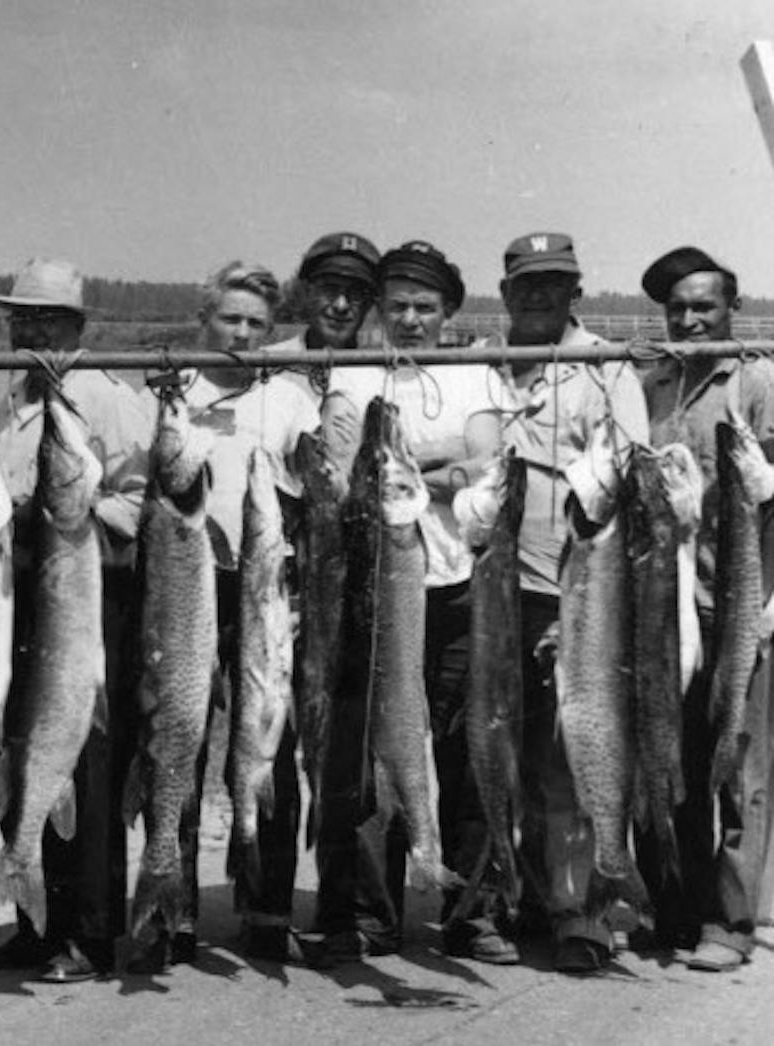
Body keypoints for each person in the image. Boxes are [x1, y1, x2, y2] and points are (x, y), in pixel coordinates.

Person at [308, 241, 508, 965]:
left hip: (457, 586)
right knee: (373, 755)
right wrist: (409, 474)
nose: (412, 320)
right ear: (380, 311)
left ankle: (471, 913)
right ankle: (367, 916)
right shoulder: (354, 374)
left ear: (448, 310)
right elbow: (335, 464)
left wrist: (417, 472)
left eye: (425, 308)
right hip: (375, 593)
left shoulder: (474, 372)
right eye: (397, 308)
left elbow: (490, 459)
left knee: (465, 746)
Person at [129, 260, 319, 972]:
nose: (242, 334)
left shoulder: (291, 397)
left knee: (270, 744)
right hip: (188, 585)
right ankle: (169, 908)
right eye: (230, 319)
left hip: (264, 589)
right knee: (177, 742)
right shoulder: (172, 392)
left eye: (256, 324)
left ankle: (267, 907)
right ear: (203, 320)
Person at [476, 232, 649, 974]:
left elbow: (627, 475)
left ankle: (582, 910)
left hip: (576, 591)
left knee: (566, 759)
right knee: (490, 750)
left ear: (576, 292)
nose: (542, 296)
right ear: (506, 291)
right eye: (528, 285)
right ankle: (506, 897)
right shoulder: (478, 363)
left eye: (557, 284)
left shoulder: (607, 367)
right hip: (490, 589)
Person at [0, 259, 152, 982]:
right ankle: (35, 923)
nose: (28, 329)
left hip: (90, 594)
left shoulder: (106, 398)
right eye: (19, 317)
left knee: (90, 761)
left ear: (76, 327)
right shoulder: (19, 395)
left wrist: (66, 520)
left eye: (43, 319)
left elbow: (140, 504)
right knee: (28, 753)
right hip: (21, 597)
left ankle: (91, 932)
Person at [637, 246, 774, 973]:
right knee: (675, 759)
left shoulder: (757, 379)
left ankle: (732, 920)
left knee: (737, 762)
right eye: (677, 308)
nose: (689, 319)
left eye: (703, 306)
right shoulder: (656, 382)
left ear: (732, 309)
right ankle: (677, 909)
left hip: (743, 598)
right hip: (671, 605)